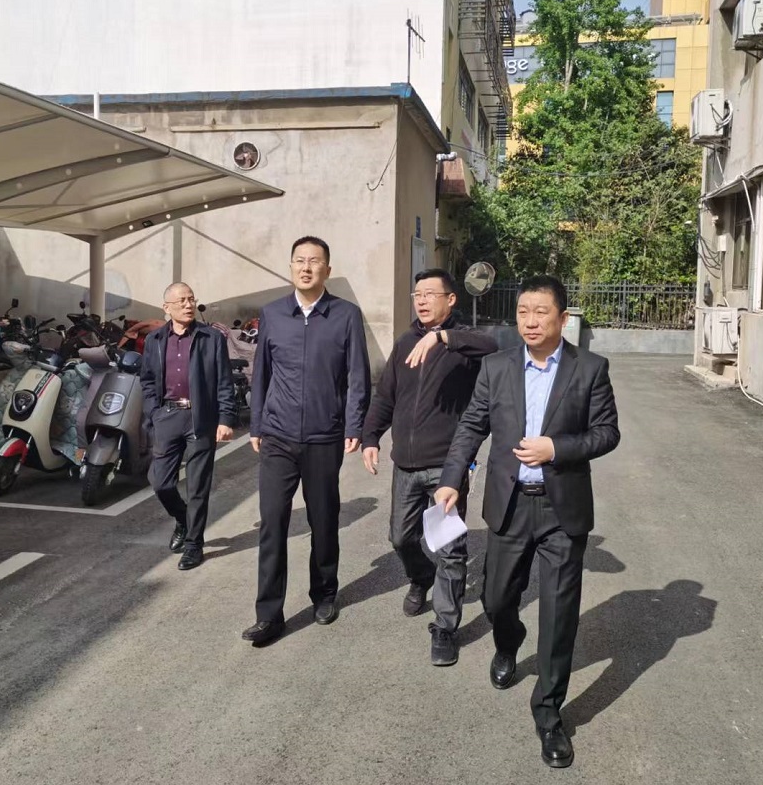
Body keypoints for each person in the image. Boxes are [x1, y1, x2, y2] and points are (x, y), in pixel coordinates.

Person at [436, 275, 620, 769]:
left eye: (541, 312)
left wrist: (556, 448)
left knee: (559, 616)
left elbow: (607, 433)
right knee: (497, 598)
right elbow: (471, 425)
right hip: (510, 502)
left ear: (563, 317)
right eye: (523, 312)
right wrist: (452, 479)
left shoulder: (590, 369)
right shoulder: (496, 367)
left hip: (562, 509)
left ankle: (549, 714)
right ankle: (508, 641)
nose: (531, 321)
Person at [360, 268, 497, 666]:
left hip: (446, 468)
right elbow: (386, 396)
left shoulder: (465, 344)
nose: (420, 300)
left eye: (429, 294)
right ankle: (421, 577)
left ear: (450, 299)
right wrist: (371, 437)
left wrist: (443, 338)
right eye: (416, 294)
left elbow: (493, 346)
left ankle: (445, 628)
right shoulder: (405, 342)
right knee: (400, 538)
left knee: (451, 550)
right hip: (405, 464)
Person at [242, 236, 371, 647]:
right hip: (277, 437)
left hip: (323, 436)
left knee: (324, 519)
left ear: (327, 270)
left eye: (314, 261)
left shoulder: (345, 315)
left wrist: (353, 426)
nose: (306, 267)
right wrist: (257, 425)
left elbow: (357, 376)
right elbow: (261, 374)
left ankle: (325, 593)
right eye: (299, 260)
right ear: (291, 267)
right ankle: (268, 615)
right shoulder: (273, 314)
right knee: (272, 523)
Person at [140, 282, 236, 571]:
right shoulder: (155, 339)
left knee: (197, 486)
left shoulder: (211, 338)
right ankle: (183, 519)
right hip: (167, 415)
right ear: (166, 307)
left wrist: (225, 419)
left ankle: (194, 544)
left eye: (191, 299)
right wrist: (153, 413)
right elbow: (147, 380)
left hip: (200, 417)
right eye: (181, 300)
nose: (188, 304)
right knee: (160, 482)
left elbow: (224, 381)